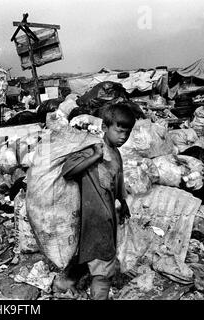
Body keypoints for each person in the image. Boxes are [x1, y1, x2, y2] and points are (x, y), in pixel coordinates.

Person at [57, 103, 135, 300]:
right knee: (103, 269)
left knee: (89, 258)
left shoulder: (116, 153)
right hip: (94, 218)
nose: (123, 137)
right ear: (105, 128)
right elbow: (67, 171)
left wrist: (122, 201)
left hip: (107, 216)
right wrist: (95, 156)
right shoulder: (92, 149)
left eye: (127, 133)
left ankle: (62, 284)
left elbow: (117, 179)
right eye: (119, 131)